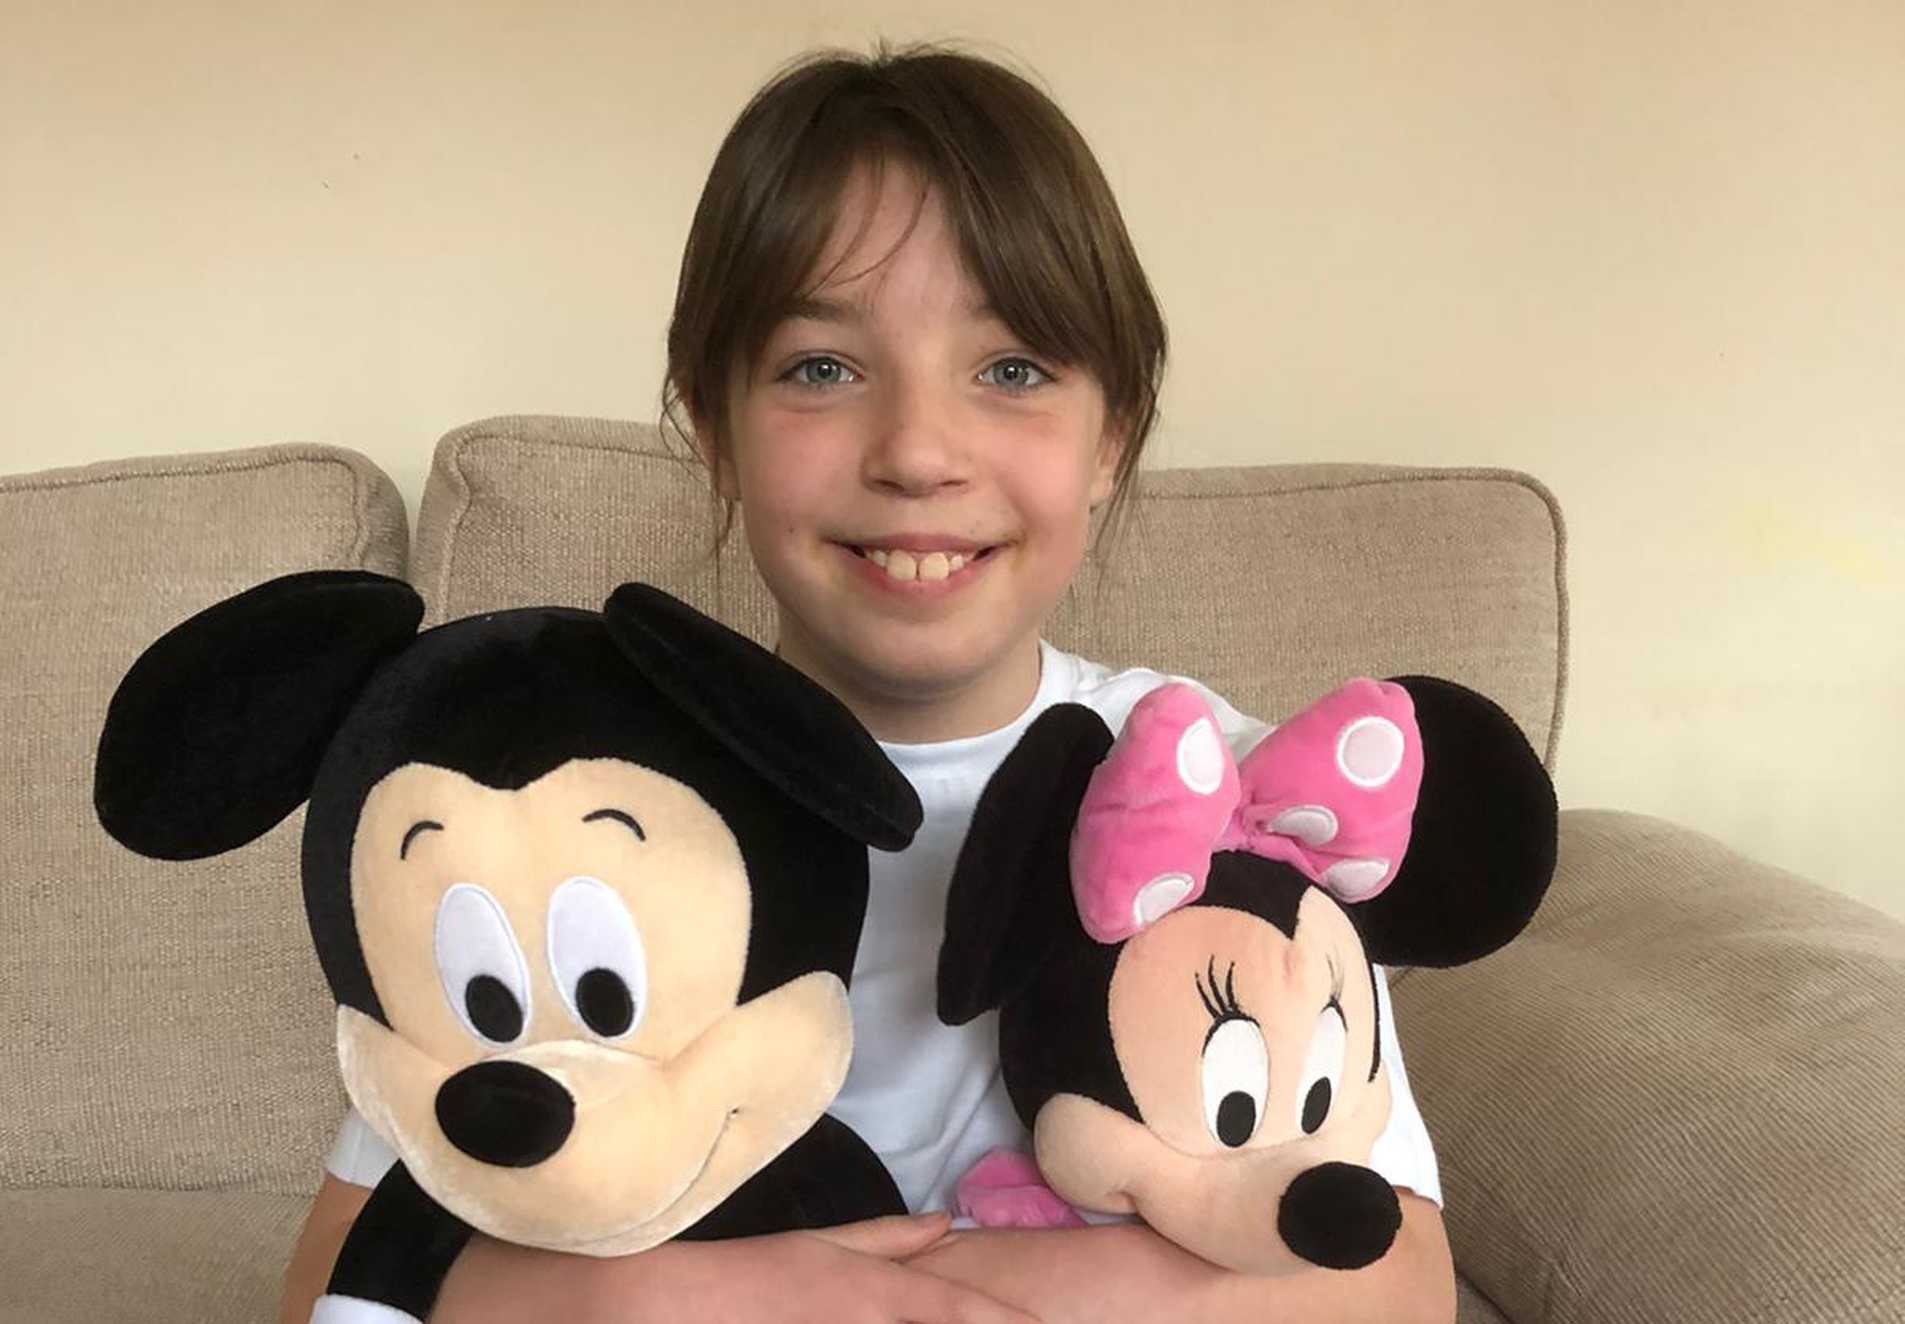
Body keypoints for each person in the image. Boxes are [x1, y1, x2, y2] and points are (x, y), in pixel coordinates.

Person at [282, 41, 1457, 1324]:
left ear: (1111, 435)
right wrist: (701, 1298)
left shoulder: (1215, 791)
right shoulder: (586, 782)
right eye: (821, 368)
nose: (916, 450)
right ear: (711, 423)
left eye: (1012, 370)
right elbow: (333, 1276)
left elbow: (1396, 1276)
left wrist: (941, 1299)